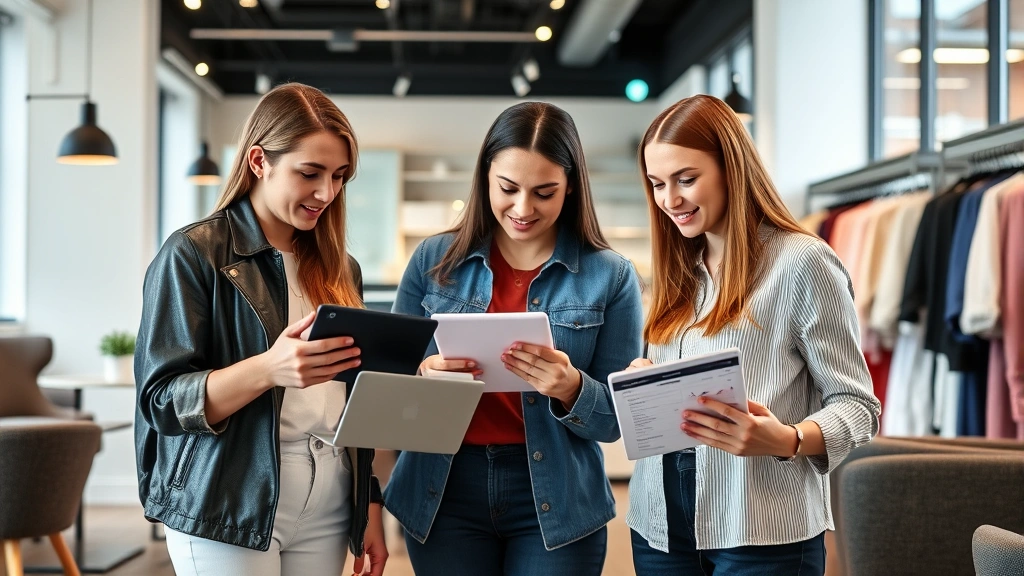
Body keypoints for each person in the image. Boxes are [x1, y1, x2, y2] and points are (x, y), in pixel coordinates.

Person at [135, 83, 388, 576]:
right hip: (229, 494)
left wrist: (369, 501)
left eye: (339, 177)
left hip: (331, 492)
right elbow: (161, 401)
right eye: (309, 173)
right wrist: (269, 368)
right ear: (258, 161)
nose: (326, 193)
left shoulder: (342, 269)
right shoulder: (194, 254)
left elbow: (357, 400)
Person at [384, 101, 644, 575]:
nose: (523, 209)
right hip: (443, 488)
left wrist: (571, 388)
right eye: (508, 188)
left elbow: (616, 422)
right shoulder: (433, 259)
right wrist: (423, 375)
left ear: (571, 188)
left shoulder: (611, 276)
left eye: (544, 192)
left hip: (558, 492)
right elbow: (388, 391)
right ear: (485, 179)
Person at [626, 94, 881, 575]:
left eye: (686, 179)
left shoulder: (802, 263)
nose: (670, 200)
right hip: (658, 522)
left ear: (732, 169)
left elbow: (859, 407)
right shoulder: (680, 269)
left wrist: (787, 439)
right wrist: (648, 381)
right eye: (658, 184)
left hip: (760, 526)